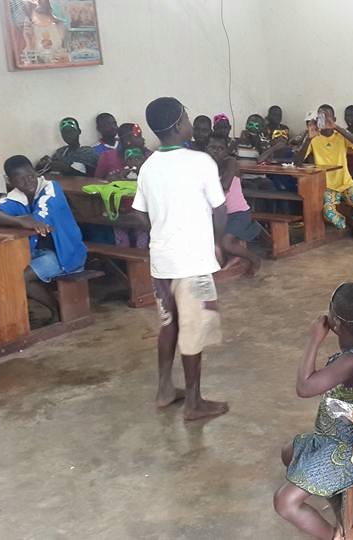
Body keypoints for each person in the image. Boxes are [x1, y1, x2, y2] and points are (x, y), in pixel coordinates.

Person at [129, 96, 229, 421]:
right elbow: (220, 210)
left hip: (162, 262)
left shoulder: (148, 166)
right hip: (193, 262)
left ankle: (164, 390)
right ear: (176, 126)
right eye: (185, 116)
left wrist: (162, 232)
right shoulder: (201, 162)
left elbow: (139, 213)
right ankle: (194, 403)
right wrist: (216, 243)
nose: (189, 121)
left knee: (168, 324)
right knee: (194, 327)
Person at [274, 283, 353, 540]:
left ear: (336, 322)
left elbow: (304, 387)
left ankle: (336, 536)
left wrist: (314, 339)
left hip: (350, 449)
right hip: (335, 438)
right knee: (289, 453)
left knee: (285, 502)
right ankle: (341, 507)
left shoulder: (352, 362)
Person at [0, 155, 87, 321]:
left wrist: (13, 219)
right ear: (11, 181)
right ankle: (14, 317)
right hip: (37, 252)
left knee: (18, 277)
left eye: (30, 176)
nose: (28, 182)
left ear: (36, 173)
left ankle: (56, 310)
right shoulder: (16, 196)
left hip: (65, 254)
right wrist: (19, 220)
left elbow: (38, 219)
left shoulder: (51, 188)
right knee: (1, 272)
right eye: (20, 179)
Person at [297, 104, 353, 237]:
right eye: (322, 117)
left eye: (328, 117)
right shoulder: (314, 138)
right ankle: (349, 223)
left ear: (335, 119)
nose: (325, 121)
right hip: (327, 186)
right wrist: (308, 138)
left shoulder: (341, 135)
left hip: (346, 183)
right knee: (329, 214)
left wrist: (336, 127)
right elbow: (297, 162)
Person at [205, 133, 263, 276]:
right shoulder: (203, 166)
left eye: (221, 148)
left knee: (226, 243)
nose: (216, 151)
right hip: (217, 215)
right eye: (212, 147)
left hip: (238, 213)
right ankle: (235, 254)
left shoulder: (230, 163)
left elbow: (224, 185)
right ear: (206, 148)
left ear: (226, 151)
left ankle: (254, 259)